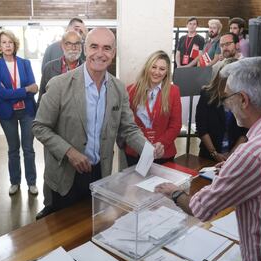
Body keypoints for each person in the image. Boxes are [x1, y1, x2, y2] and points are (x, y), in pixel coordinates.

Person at [156, 57, 261, 261]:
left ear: (243, 100)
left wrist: (174, 192)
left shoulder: (252, 153)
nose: (226, 105)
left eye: (227, 98)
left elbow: (200, 209)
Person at [33, 28, 164, 219]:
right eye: (94, 46)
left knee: (92, 227)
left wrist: (148, 149)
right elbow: (39, 126)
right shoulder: (59, 84)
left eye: (107, 48)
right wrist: (69, 152)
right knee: (64, 235)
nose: (100, 54)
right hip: (65, 177)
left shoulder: (119, 88)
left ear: (113, 53)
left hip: (100, 175)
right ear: (85, 49)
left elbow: (128, 128)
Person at [0, 30, 39, 196]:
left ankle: (31, 182)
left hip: (27, 111)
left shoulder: (25, 63)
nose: (7, 45)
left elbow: (35, 89)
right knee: (13, 149)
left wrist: (15, 92)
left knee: (28, 149)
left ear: (15, 44)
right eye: (4, 42)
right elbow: (1, 93)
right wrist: (24, 89)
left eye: (10, 42)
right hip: (7, 113)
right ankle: (15, 182)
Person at [125, 50, 181, 166]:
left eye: (162, 69)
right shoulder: (131, 90)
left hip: (163, 152)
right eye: (154, 67)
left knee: (160, 184)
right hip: (136, 151)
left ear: (166, 72)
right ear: (147, 68)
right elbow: (126, 123)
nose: (157, 72)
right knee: (136, 183)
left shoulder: (173, 91)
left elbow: (175, 125)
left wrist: (162, 143)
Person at [196, 58, 247, 161]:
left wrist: (231, 154)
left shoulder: (243, 97)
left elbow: (245, 132)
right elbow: (202, 128)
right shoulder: (207, 94)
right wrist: (214, 153)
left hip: (235, 155)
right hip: (208, 155)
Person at [38, 30, 83, 104]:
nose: (73, 48)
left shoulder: (88, 69)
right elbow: (42, 98)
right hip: (55, 113)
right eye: (69, 44)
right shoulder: (49, 68)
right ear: (62, 45)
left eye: (77, 43)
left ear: (81, 46)